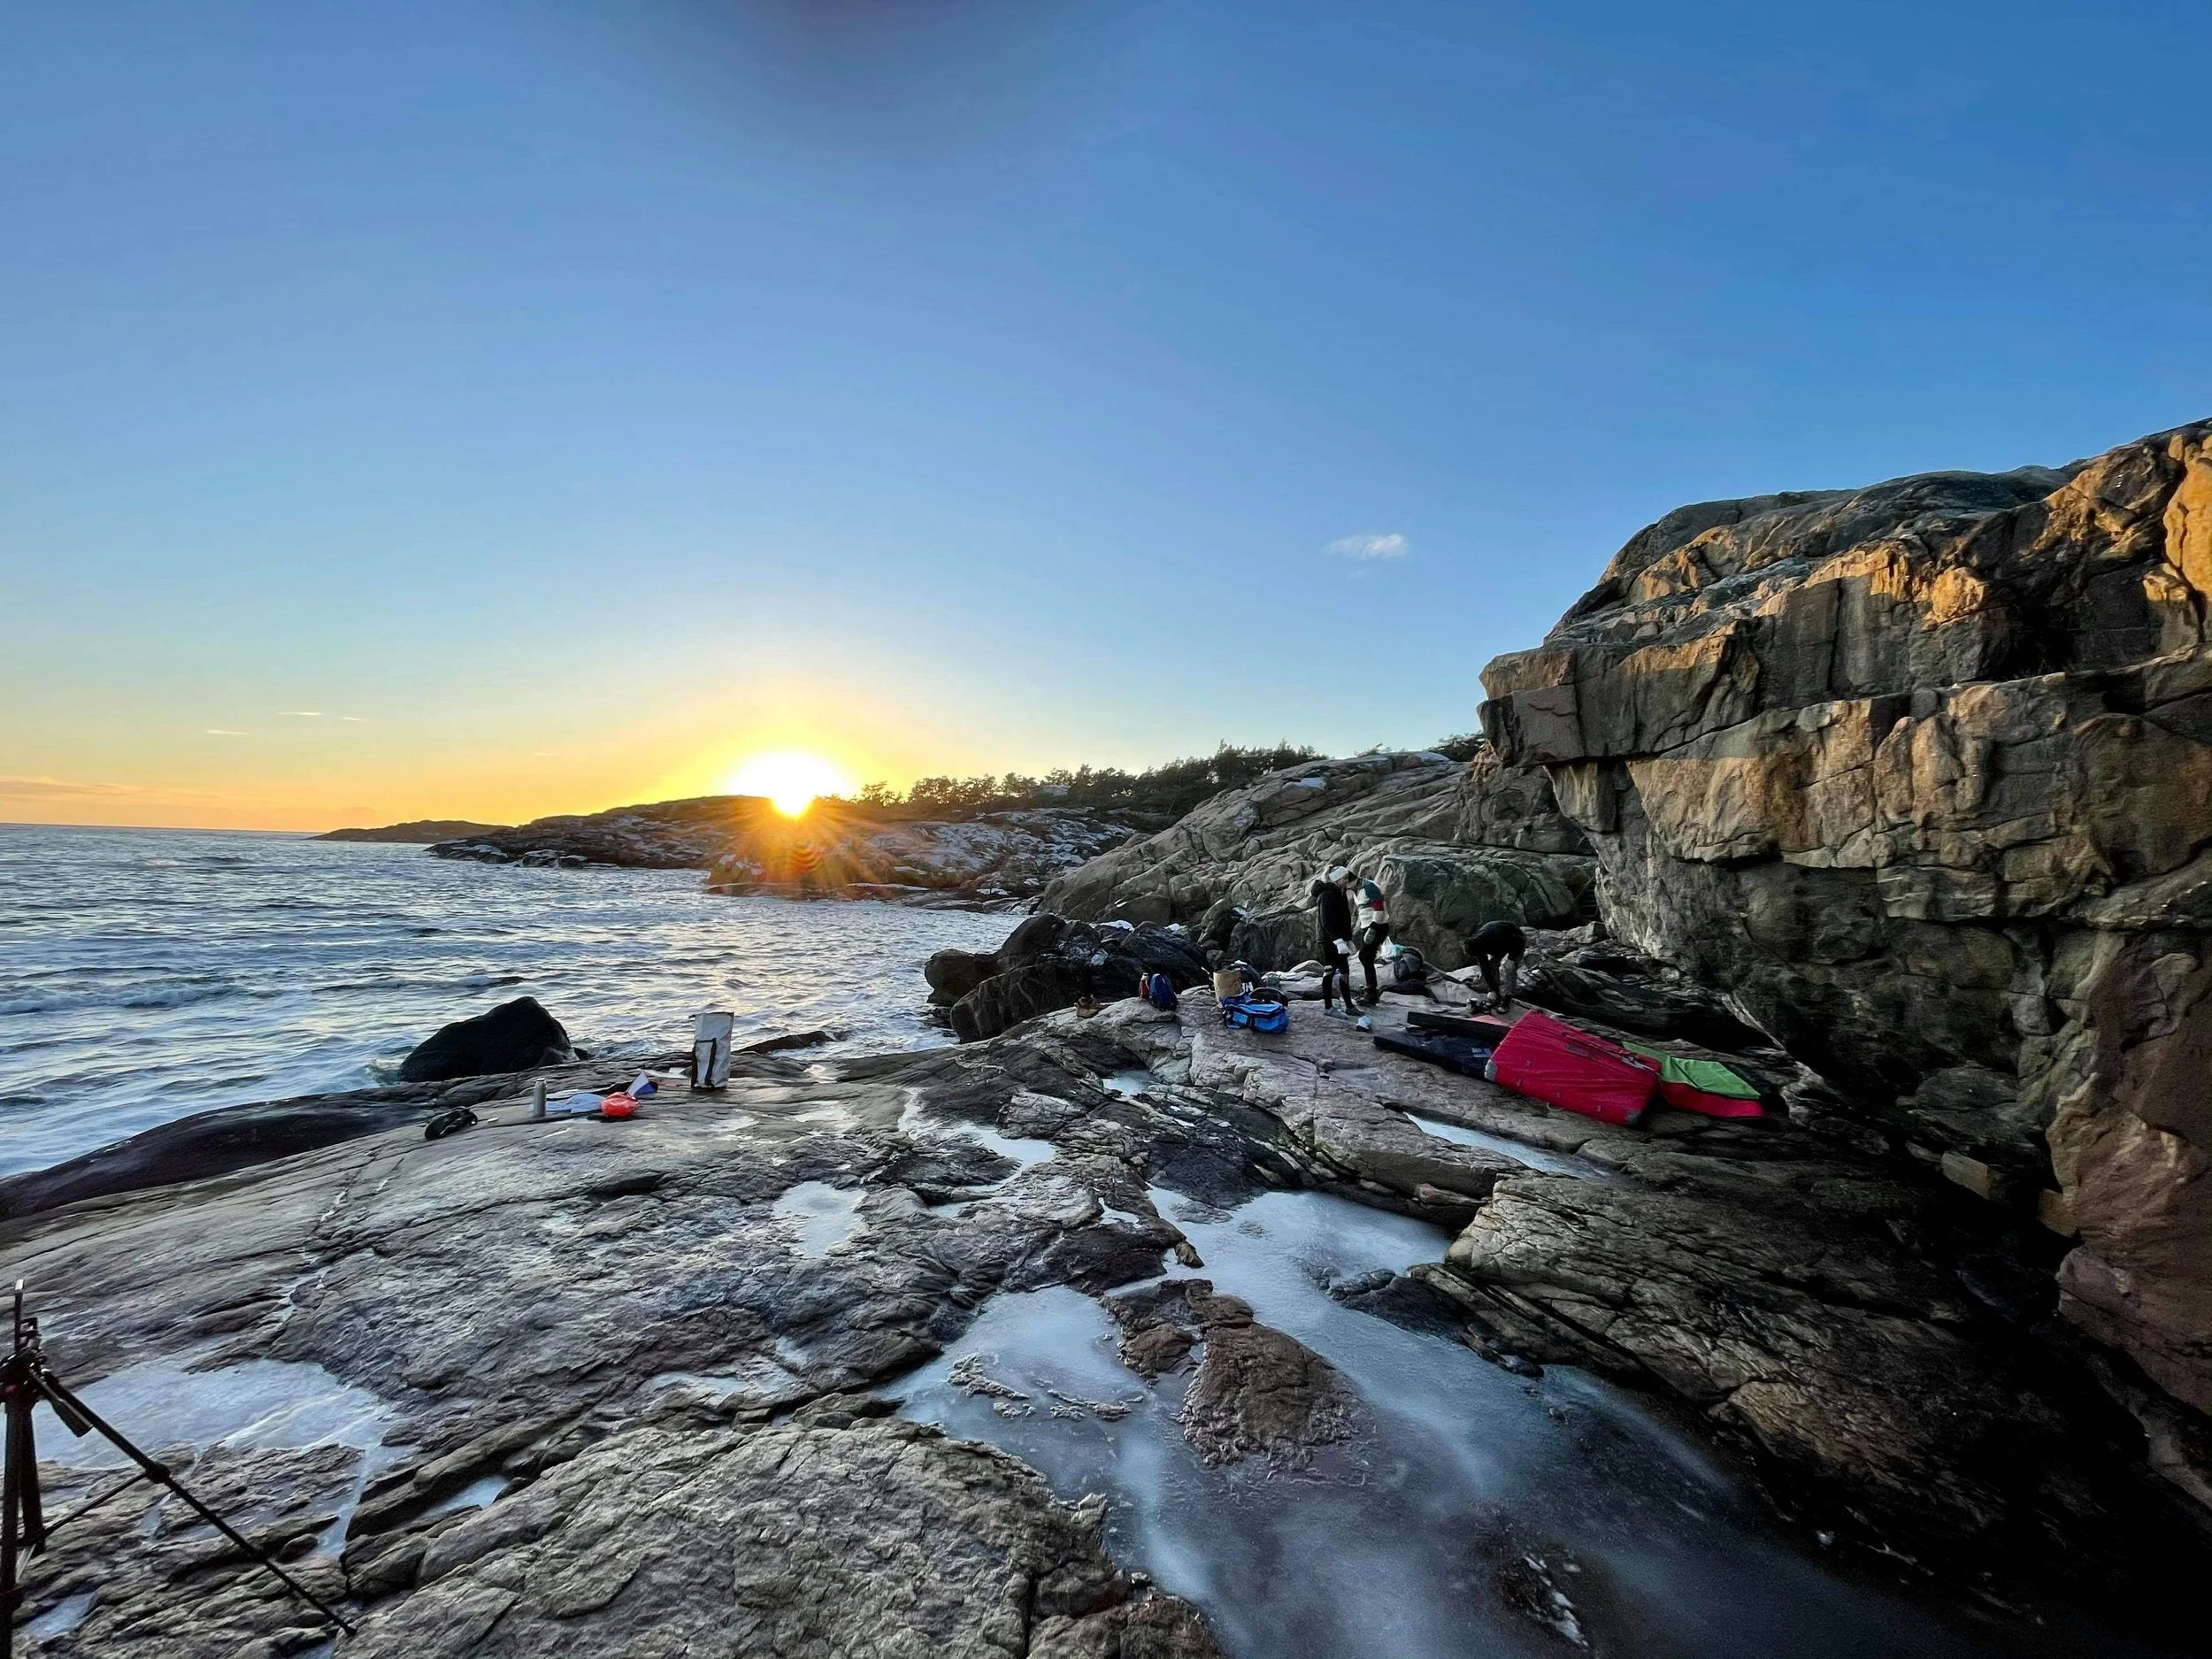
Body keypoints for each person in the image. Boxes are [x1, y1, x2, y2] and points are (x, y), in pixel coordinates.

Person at [1312, 869, 1358, 1017]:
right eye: (1344, 878)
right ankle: (1328, 1007)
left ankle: (1349, 1006)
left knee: (1345, 971)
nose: (1346, 880)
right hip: (1328, 940)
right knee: (1329, 970)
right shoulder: (1327, 895)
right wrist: (1338, 941)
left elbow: (1344, 918)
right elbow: (1326, 922)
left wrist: (1348, 939)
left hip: (1340, 939)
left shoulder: (1340, 892)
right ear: (1337, 880)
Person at [1344, 868, 1389, 1007]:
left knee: (1365, 956)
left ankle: (1371, 992)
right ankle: (1371, 991)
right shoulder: (1357, 889)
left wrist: (1374, 927)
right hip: (1367, 926)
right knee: (1367, 957)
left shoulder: (1368, 886)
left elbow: (1379, 907)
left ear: (1346, 879)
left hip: (1377, 926)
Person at [1469, 919, 1526, 1010]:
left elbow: (1519, 940)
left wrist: (1511, 959)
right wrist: (1492, 989)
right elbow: (1486, 968)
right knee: (1492, 966)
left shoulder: (1496, 935)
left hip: (1516, 942)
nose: (1480, 955)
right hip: (1498, 947)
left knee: (1510, 968)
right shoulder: (1477, 947)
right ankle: (1496, 994)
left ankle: (1508, 998)